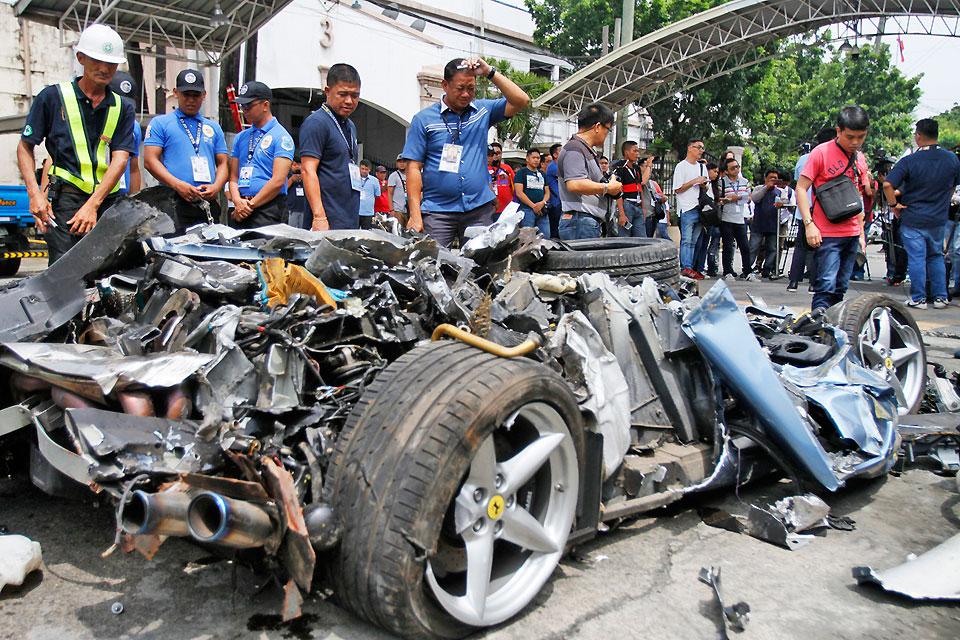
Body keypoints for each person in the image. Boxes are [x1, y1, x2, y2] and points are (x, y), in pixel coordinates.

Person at [17, 24, 136, 264]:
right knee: (66, 274)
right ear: (81, 57)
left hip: (106, 201)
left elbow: (121, 158)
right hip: (66, 201)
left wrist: (94, 204)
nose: (104, 69)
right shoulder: (52, 97)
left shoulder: (123, 107)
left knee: (115, 272)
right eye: (96, 60)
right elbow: (25, 147)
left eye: (111, 63)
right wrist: (35, 195)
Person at [402, 57, 530, 247]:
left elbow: (522, 100)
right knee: (432, 267)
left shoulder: (482, 111)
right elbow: (413, 168)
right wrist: (415, 215)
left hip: (478, 209)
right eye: (460, 88)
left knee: (479, 268)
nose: (466, 94)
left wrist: (489, 72)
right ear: (445, 85)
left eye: (471, 88)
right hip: (438, 212)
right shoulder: (424, 120)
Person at [796, 105, 873, 312]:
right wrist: (809, 225)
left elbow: (857, 195)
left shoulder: (860, 157)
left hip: (852, 233)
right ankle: (818, 331)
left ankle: (833, 332)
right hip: (827, 234)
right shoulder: (820, 153)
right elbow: (801, 188)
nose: (855, 142)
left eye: (861, 137)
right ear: (838, 131)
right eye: (850, 137)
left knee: (840, 288)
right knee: (825, 288)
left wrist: (861, 235)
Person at [884, 118, 960, 309]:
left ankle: (918, 298)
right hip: (938, 218)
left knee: (917, 257)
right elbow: (953, 185)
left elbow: (887, 184)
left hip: (913, 217)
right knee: (935, 256)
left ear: (918, 136)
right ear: (937, 135)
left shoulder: (909, 160)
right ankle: (941, 297)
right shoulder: (951, 159)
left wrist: (894, 205)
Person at [143, 68, 228, 233]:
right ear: (175, 93)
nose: (191, 100)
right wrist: (177, 185)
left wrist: (216, 186)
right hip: (174, 202)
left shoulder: (213, 127)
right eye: (186, 94)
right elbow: (150, 160)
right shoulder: (161, 123)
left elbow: (223, 163)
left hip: (206, 203)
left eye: (196, 95)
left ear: (204, 95)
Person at [300, 63, 362, 230]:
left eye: (355, 95)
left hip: (348, 218)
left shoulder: (350, 126)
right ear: (327, 91)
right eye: (342, 94)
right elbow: (307, 170)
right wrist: (319, 216)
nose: (349, 101)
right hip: (326, 220)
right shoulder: (317, 123)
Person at [229, 81, 295, 228]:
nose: (244, 110)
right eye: (242, 106)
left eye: (249, 106)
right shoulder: (241, 137)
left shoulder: (281, 136)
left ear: (265, 105)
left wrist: (250, 205)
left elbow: (278, 180)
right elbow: (233, 177)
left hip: (268, 208)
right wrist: (237, 201)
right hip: (241, 207)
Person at [556, 102, 622, 240]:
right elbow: (575, 184)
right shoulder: (574, 148)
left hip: (584, 222)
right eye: (608, 129)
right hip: (580, 221)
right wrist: (608, 187)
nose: (607, 134)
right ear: (597, 126)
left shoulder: (585, 150)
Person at [787, 127, 834, 291]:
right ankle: (814, 284)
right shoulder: (829, 157)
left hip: (803, 208)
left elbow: (797, 182)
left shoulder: (803, 159)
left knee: (800, 247)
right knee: (816, 247)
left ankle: (793, 281)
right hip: (821, 209)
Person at [673, 138, 709, 278]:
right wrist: (694, 181)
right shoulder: (681, 166)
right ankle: (685, 267)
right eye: (698, 147)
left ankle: (691, 267)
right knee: (687, 240)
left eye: (702, 148)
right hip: (687, 207)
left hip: (699, 207)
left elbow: (707, 186)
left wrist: (703, 184)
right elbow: (678, 188)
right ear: (690, 148)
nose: (701, 150)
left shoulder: (701, 167)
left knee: (694, 241)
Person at [718, 157, 753, 280]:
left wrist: (738, 198)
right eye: (733, 168)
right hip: (726, 217)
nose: (736, 170)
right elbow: (717, 199)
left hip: (740, 217)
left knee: (744, 246)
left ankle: (748, 271)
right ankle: (727, 271)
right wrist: (727, 200)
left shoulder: (744, 181)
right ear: (726, 171)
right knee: (728, 246)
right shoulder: (722, 182)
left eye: (737, 167)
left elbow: (749, 197)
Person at [109, 71, 141, 196]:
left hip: (121, 198)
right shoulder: (94, 123)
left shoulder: (134, 127)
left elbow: (133, 168)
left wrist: (135, 201)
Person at [750, 169, 785, 279]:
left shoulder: (780, 191)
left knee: (772, 248)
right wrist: (766, 187)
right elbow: (755, 199)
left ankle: (767, 269)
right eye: (771, 178)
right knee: (753, 247)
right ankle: (747, 268)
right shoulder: (758, 188)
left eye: (775, 178)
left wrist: (782, 204)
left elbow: (785, 202)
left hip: (773, 224)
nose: (773, 180)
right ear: (765, 178)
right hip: (758, 223)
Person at [693, 162, 721, 277]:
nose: (716, 174)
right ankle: (693, 267)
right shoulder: (702, 183)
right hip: (702, 217)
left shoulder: (713, 186)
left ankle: (700, 268)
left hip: (710, 218)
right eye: (714, 171)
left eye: (717, 172)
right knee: (697, 243)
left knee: (705, 244)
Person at [513, 148, 550, 236]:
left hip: (542, 210)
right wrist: (533, 206)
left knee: (546, 236)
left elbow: (547, 192)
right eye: (533, 157)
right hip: (526, 210)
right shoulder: (521, 173)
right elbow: (519, 193)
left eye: (538, 158)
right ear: (527, 158)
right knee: (528, 238)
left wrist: (542, 203)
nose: (536, 160)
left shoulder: (542, 174)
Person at [615, 141, 646, 237]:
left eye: (638, 151)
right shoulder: (620, 167)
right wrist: (621, 214)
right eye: (635, 151)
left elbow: (640, 188)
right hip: (627, 205)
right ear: (626, 152)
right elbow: (618, 192)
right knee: (625, 237)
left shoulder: (636, 168)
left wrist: (643, 207)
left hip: (638, 206)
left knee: (642, 238)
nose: (638, 154)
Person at [488, 142, 515, 215]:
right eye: (493, 153)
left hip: (507, 210)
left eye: (498, 153)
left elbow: (514, 186)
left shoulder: (507, 168)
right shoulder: (483, 168)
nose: (496, 156)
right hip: (490, 209)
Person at [286, 158, 312, 230]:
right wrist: (291, 179)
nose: (297, 166)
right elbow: (284, 189)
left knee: (302, 231)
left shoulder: (306, 175)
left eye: (299, 164)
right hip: (292, 209)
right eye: (294, 165)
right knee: (291, 231)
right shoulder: (287, 175)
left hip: (304, 209)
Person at [545, 143, 562, 238]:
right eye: (562, 151)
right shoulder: (553, 167)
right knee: (555, 229)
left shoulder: (558, 166)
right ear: (555, 155)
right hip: (555, 203)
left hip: (559, 202)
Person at [357, 159, 381, 229]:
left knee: (366, 235)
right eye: (362, 168)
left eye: (366, 169)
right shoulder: (354, 178)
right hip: (356, 211)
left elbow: (377, 195)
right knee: (354, 234)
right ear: (359, 168)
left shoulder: (375, 180)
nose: (364, 171)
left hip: (368, 212)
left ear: (369, 170)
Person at [387, 154, 408, 226]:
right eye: (400, 162)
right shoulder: (394, 175)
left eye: (404, 161)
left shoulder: (410, 175)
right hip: (397, 210)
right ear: (396, 163)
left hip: (408, 210)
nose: (402, 164)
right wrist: (391, 210)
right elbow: (389, 193)